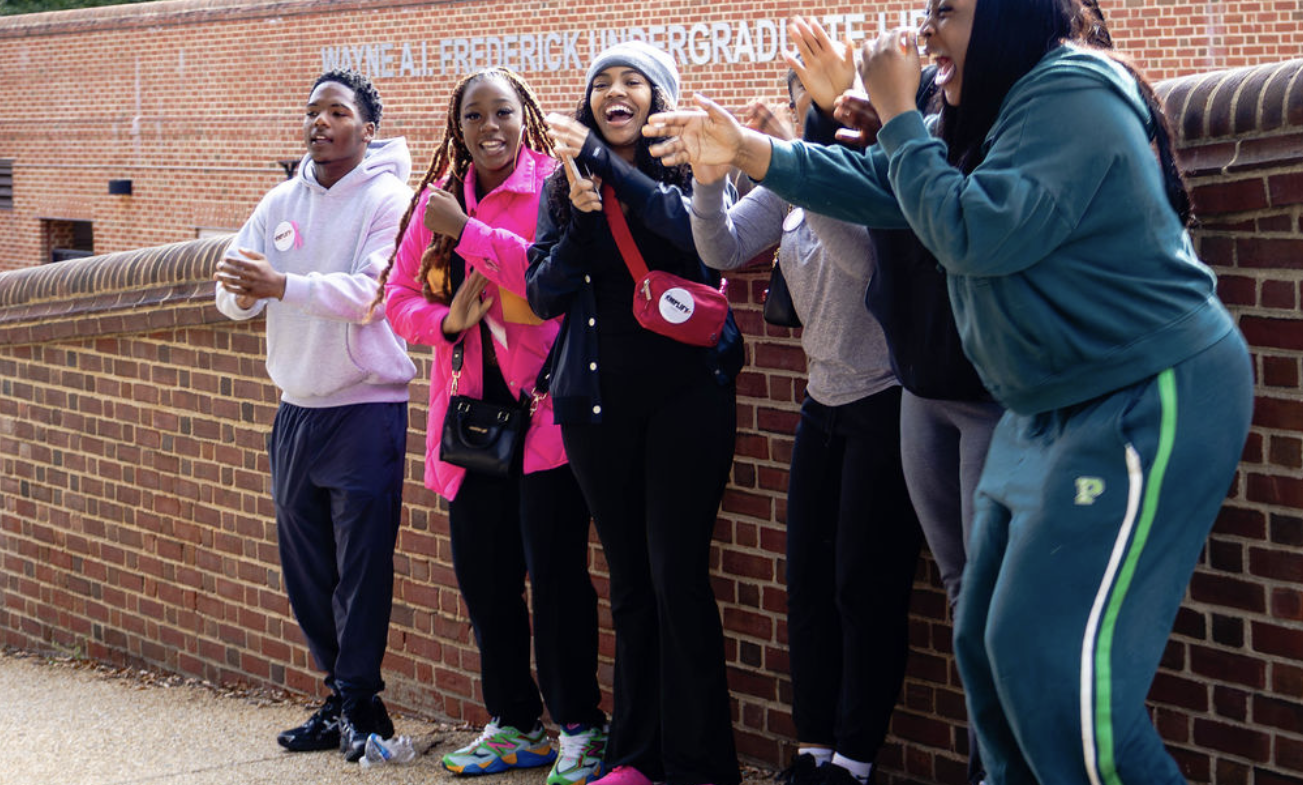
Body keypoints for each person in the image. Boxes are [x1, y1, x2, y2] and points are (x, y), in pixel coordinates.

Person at [647, 0, 1253, 785]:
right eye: (926, 10)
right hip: (1043, 404)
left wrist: (898, 112)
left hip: (1141, 394)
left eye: (946, 12)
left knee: (1059, 681)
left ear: (1006, 20)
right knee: (991, 646)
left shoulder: (1074, 92)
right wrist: (749, 149)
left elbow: (975, 234)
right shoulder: (985, 113)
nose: (924, 31)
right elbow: (879, 184)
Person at [688, 73, 921, 785]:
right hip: (822, 403)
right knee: (808, 585)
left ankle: (853, 762)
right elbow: (722, 250)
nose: (814, 106)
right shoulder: (786, 179)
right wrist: (707, 181)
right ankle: (814, 750)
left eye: (828, 91)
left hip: (885, 402)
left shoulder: (882, 172)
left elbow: (863, 267)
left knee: (864, 586)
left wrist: (799, 165)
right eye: (801, 95)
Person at [524, 42, 745, 785]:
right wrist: (582, 221)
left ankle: (700, 766)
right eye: (601, 83)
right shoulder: (565, 186)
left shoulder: (690, 167)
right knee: (630, 585)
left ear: (659, 99)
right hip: (597, 409)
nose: (614, 93)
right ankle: (636, 758)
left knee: (676, 576)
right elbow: (542, 293)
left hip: (688, 399)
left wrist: (607, 167)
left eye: (633, 81)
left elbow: (697, 237)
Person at [378, 68, 608, 783]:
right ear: (458, 126)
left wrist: (467, 233)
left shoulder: (551, 188)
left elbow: (549, 282)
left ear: (524, 115)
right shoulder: (438, 199)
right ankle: (516, 724)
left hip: (547, 419)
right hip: (472, 426)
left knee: (558, 581)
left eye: (502, 112)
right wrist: (447, 321)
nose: (490, 128)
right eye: (474, 115)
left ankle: (581, 728)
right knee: (487, 583)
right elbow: (397, 298)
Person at [213, 68, 415, 762]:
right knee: (308, 575)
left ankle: (360, 705)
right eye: (312, 111)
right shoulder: (280, 201)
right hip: (296, 410)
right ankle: (344, 701)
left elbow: (371, 293)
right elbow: (230, 288)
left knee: (361, 569)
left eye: (336, 112)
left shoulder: (390, 200)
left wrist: (281, 284)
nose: (319, 122)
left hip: (365, 408)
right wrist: (246, 294)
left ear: (368, 128)